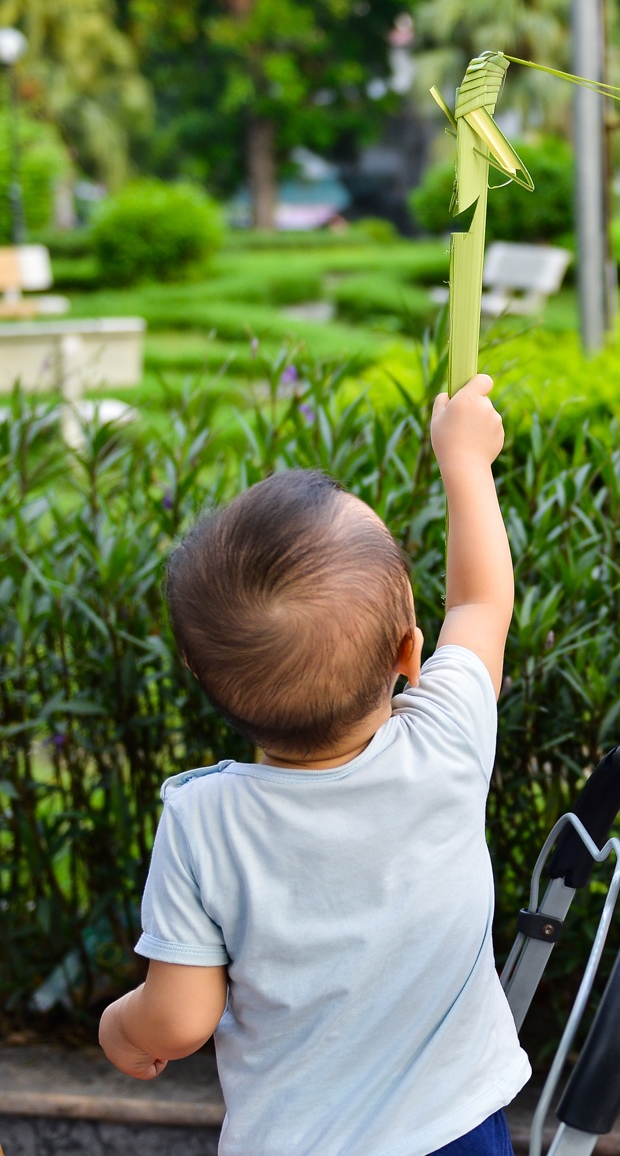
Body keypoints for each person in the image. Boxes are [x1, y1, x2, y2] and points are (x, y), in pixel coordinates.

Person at [98, 376, 527, 1156]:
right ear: (409, 654)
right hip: (455, 1131)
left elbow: (181, 1018)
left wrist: (123, 1028)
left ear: (200, 677)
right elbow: (480, 605)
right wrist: (465, 461)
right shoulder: (447, 740)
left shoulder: (203, 821)